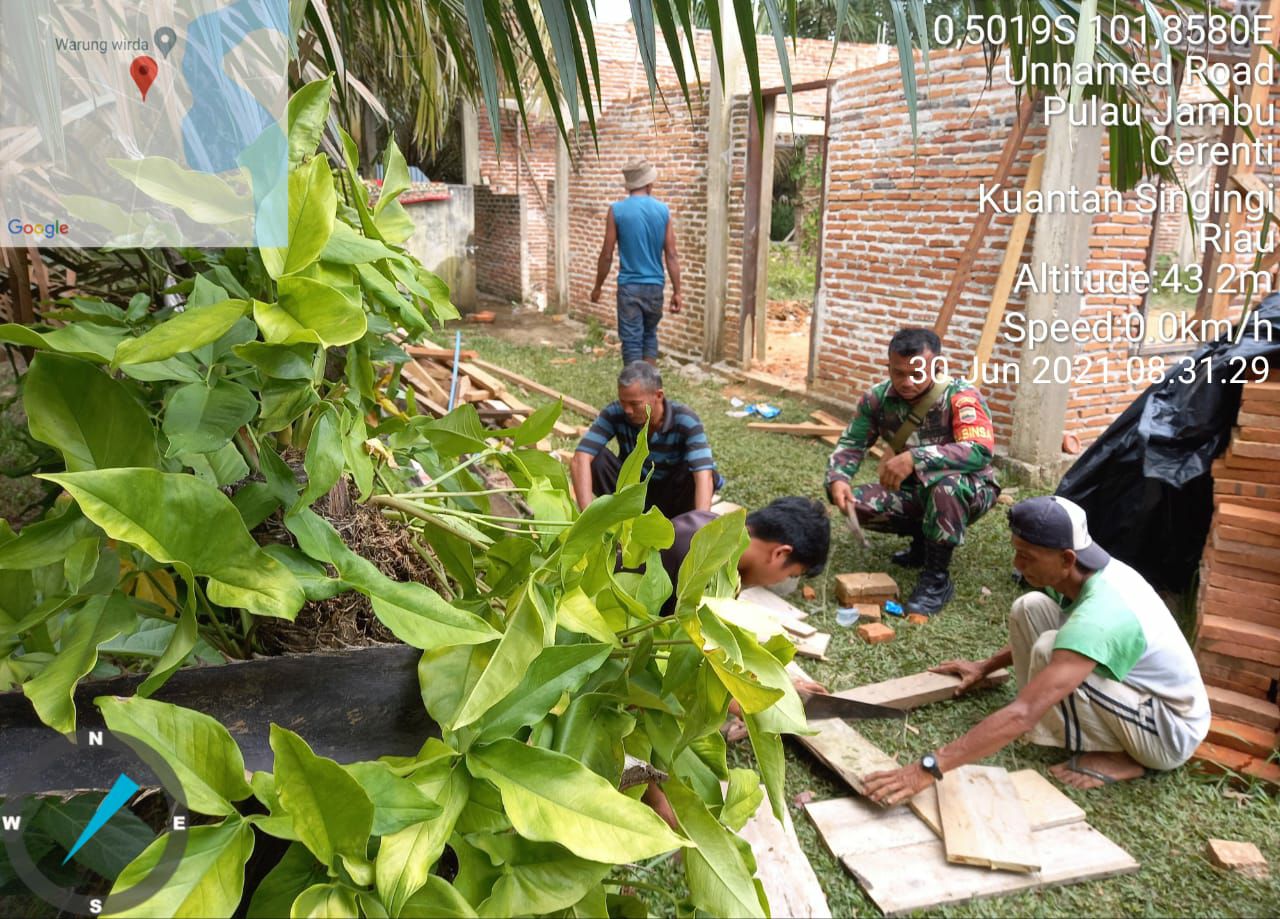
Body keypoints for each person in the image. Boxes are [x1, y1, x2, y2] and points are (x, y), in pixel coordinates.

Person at [863, 496, 1211, 803]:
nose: (1017, 564)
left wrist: (929, 767)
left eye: (1027, 556)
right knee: (1029, 607)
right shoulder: (1083, 575)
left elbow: (1023, 712)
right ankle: (1069, 727)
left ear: (1067, 558)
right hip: (1141, 698)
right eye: (1017, 552)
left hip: (1169, 730)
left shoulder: (1101, 614)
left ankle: (1123, 756)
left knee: (1050, 650)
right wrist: (985, 666)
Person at [826, 327, 1000, 616]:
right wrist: (838, 478)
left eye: (916, 374)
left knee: (946, 486)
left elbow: (979, 449)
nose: (906, 382)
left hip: (970, 490)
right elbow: (852, 444)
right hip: (914, 492)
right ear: (889, 366)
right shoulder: (877, 399)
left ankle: (936, 578)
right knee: (854, 502)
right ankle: (922, 543)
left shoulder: (961, 397)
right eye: (898, 373)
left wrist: (915, 458)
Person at [571, 361, 719, 518]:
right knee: (596, 460)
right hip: (632, 494)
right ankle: (620, 518)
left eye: (635, 404)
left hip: (671, 499)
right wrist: (586, 518)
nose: (627, 410)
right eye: (623, 402)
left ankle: (683, 525)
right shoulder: (615, 413)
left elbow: (704, 475)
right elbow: (580, 458)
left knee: (700, 473)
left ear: (659, 396)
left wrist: (701, 524)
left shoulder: (685, 420)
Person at [657, 497, 832, 618]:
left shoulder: (710, 522)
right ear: (780, 553)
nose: (779, 581)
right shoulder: (707, 564)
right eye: (791, 575)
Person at [589, 157, 683, 365]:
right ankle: (649, 392)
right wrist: (677, 291)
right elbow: (672, 254)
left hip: (629, 288)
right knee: (650, 336)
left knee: (632, 342)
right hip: (655, 288)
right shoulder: (663, 211)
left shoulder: (616, 211)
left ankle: (636, 393)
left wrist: (598, 287)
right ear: (649, 184)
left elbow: (607, 254)